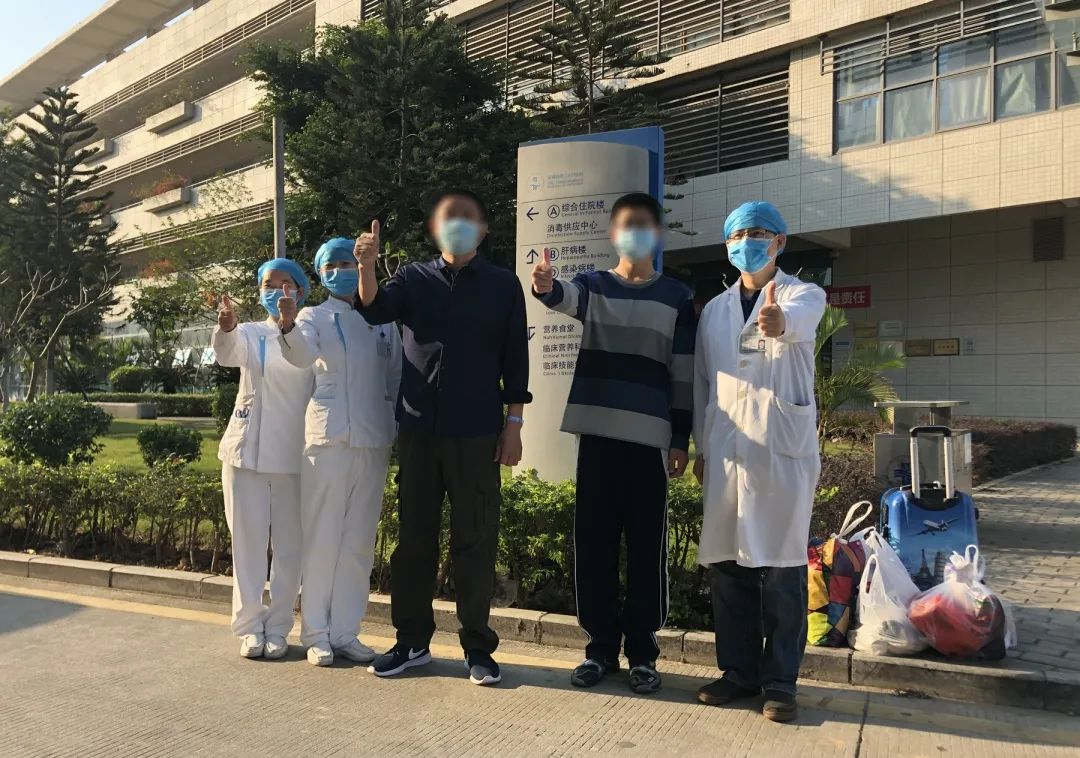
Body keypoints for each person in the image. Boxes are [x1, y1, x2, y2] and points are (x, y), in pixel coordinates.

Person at [354, 189, 531, 686]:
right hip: (419, 429)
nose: (458, 225)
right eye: (449, 218)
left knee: (475, 540)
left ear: (484, 229)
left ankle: (478, 647)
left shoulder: (503, 285)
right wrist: (366, 266)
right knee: (414, 542)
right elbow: (374, 308)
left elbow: (515, 358)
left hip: (476, 432)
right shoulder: (413, 278)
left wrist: (513, 426)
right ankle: (411, 641)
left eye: (468, 218)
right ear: (434, 230)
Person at [530, 192, 696, 695]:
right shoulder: (594, 286)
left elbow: (683, 373)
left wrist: (680, 439)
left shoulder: (677, 297)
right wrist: (544, 286)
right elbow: (565, 297)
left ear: (658, 234)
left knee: (646, 549)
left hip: (649, 441)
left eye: (643, 224)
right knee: (594, 545)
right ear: (612, 233)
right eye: (625, 224)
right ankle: (599, 649)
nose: (633, 233)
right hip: (598, 437)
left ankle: (643, 653)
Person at [692, 201, 826, 723]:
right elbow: (705, 384)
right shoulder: (714, 310)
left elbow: (797, 322)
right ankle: (739, 673)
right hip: (727, 450)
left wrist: (779, 321)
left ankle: (780, 683)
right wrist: (703, 448)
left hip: (780, 451)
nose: (745, 241)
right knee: (729, 568)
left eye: (756, 232)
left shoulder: (802, 294)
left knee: (782, 569)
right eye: (736, 234)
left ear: (779, 242)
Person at [276, 237, 402, 667]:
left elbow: (395, 377)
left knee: (359, 542)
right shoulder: (312, 317)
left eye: (347, 263)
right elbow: (301, 355)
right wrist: (287, 325)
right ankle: (316, 632)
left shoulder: (383, 320)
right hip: (328, 441)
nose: (340, 271)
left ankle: (346, 631)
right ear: (321, 273)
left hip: (373, 438)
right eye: (330, 266)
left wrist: (396, 427)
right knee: (323, 538)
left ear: (363, 264)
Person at [213, 258, 314, 660]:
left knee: (290, 550)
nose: (276, 291)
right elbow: (227, 354)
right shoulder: (251, 332)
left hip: (295, 456)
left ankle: (279, 626)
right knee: (248, 546)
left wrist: (290, 325)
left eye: (285, 284)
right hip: (246, 453)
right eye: (268, 285)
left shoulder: (310, 333)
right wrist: (226, 328)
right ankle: (250, 627)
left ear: (300, 291)